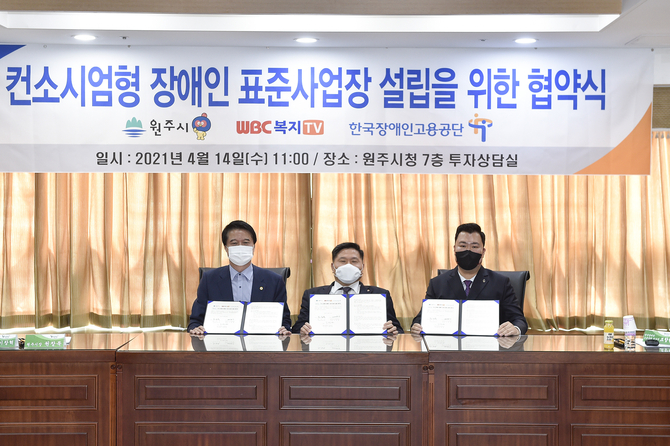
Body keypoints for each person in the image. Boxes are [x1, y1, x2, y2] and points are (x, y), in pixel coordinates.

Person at [411, 223, 528, 336]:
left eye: (474, 246)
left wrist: (515, 329)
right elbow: (421, 319)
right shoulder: (437, 283)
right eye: (463, 246)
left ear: (483, 252)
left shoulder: (500, 283)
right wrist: (416, 326)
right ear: (454, 249)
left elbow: (519, 320)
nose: (468, 251)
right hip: (448, 347)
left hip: (489, 347)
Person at [188, 220, 292, 335]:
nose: (240, 247)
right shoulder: (209, 279)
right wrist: (196, 329)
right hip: (220, 343)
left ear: (253, 247)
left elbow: (284, 321)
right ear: (226, 248)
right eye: (234, 243)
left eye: (246, 242)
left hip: (261, 343)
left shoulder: (274, 281)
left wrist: (284, 330)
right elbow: (196, 321)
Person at [292, 242, 403, 336]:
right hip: (326, 351)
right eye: (343, 261)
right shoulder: (312, 295)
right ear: (333, 267)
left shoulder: (380, 295)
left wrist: (392, 330)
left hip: (366, 351)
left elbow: (398, 330)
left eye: (354, 261)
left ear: (362, 267)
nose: (348, 266)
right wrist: (303, 330)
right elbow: (297, 329)